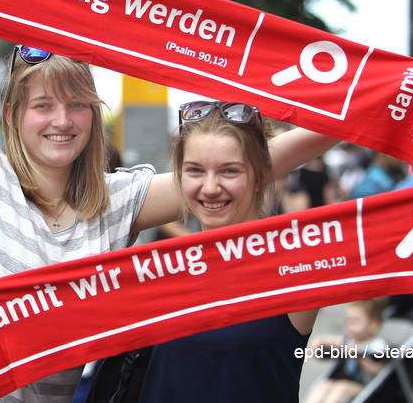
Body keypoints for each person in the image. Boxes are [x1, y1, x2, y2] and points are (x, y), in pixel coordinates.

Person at [0, 0, 336, 403]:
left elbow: (252, 162)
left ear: (94, 114)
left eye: (77, 104)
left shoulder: (117, 201)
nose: (62, 120)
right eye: (43, 105)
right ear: (13, 113)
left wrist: (375, 98)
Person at [134, 100, 321, 403]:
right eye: (195, 170)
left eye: (229, 171)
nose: (210, 187)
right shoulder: (155, 271)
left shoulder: (296, 267)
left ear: (261, 174)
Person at [304, 299, 388, 403]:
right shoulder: (350, 340)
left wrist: (361, 358)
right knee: (324, 385)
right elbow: (334, 341)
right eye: (348, 321)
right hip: (342, 380)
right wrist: (320, 342)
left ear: (373, 324)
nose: (350, 325)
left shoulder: (376, 346)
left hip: (364, 386)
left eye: (355, 321)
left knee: (341, 387)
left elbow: (380, 371)